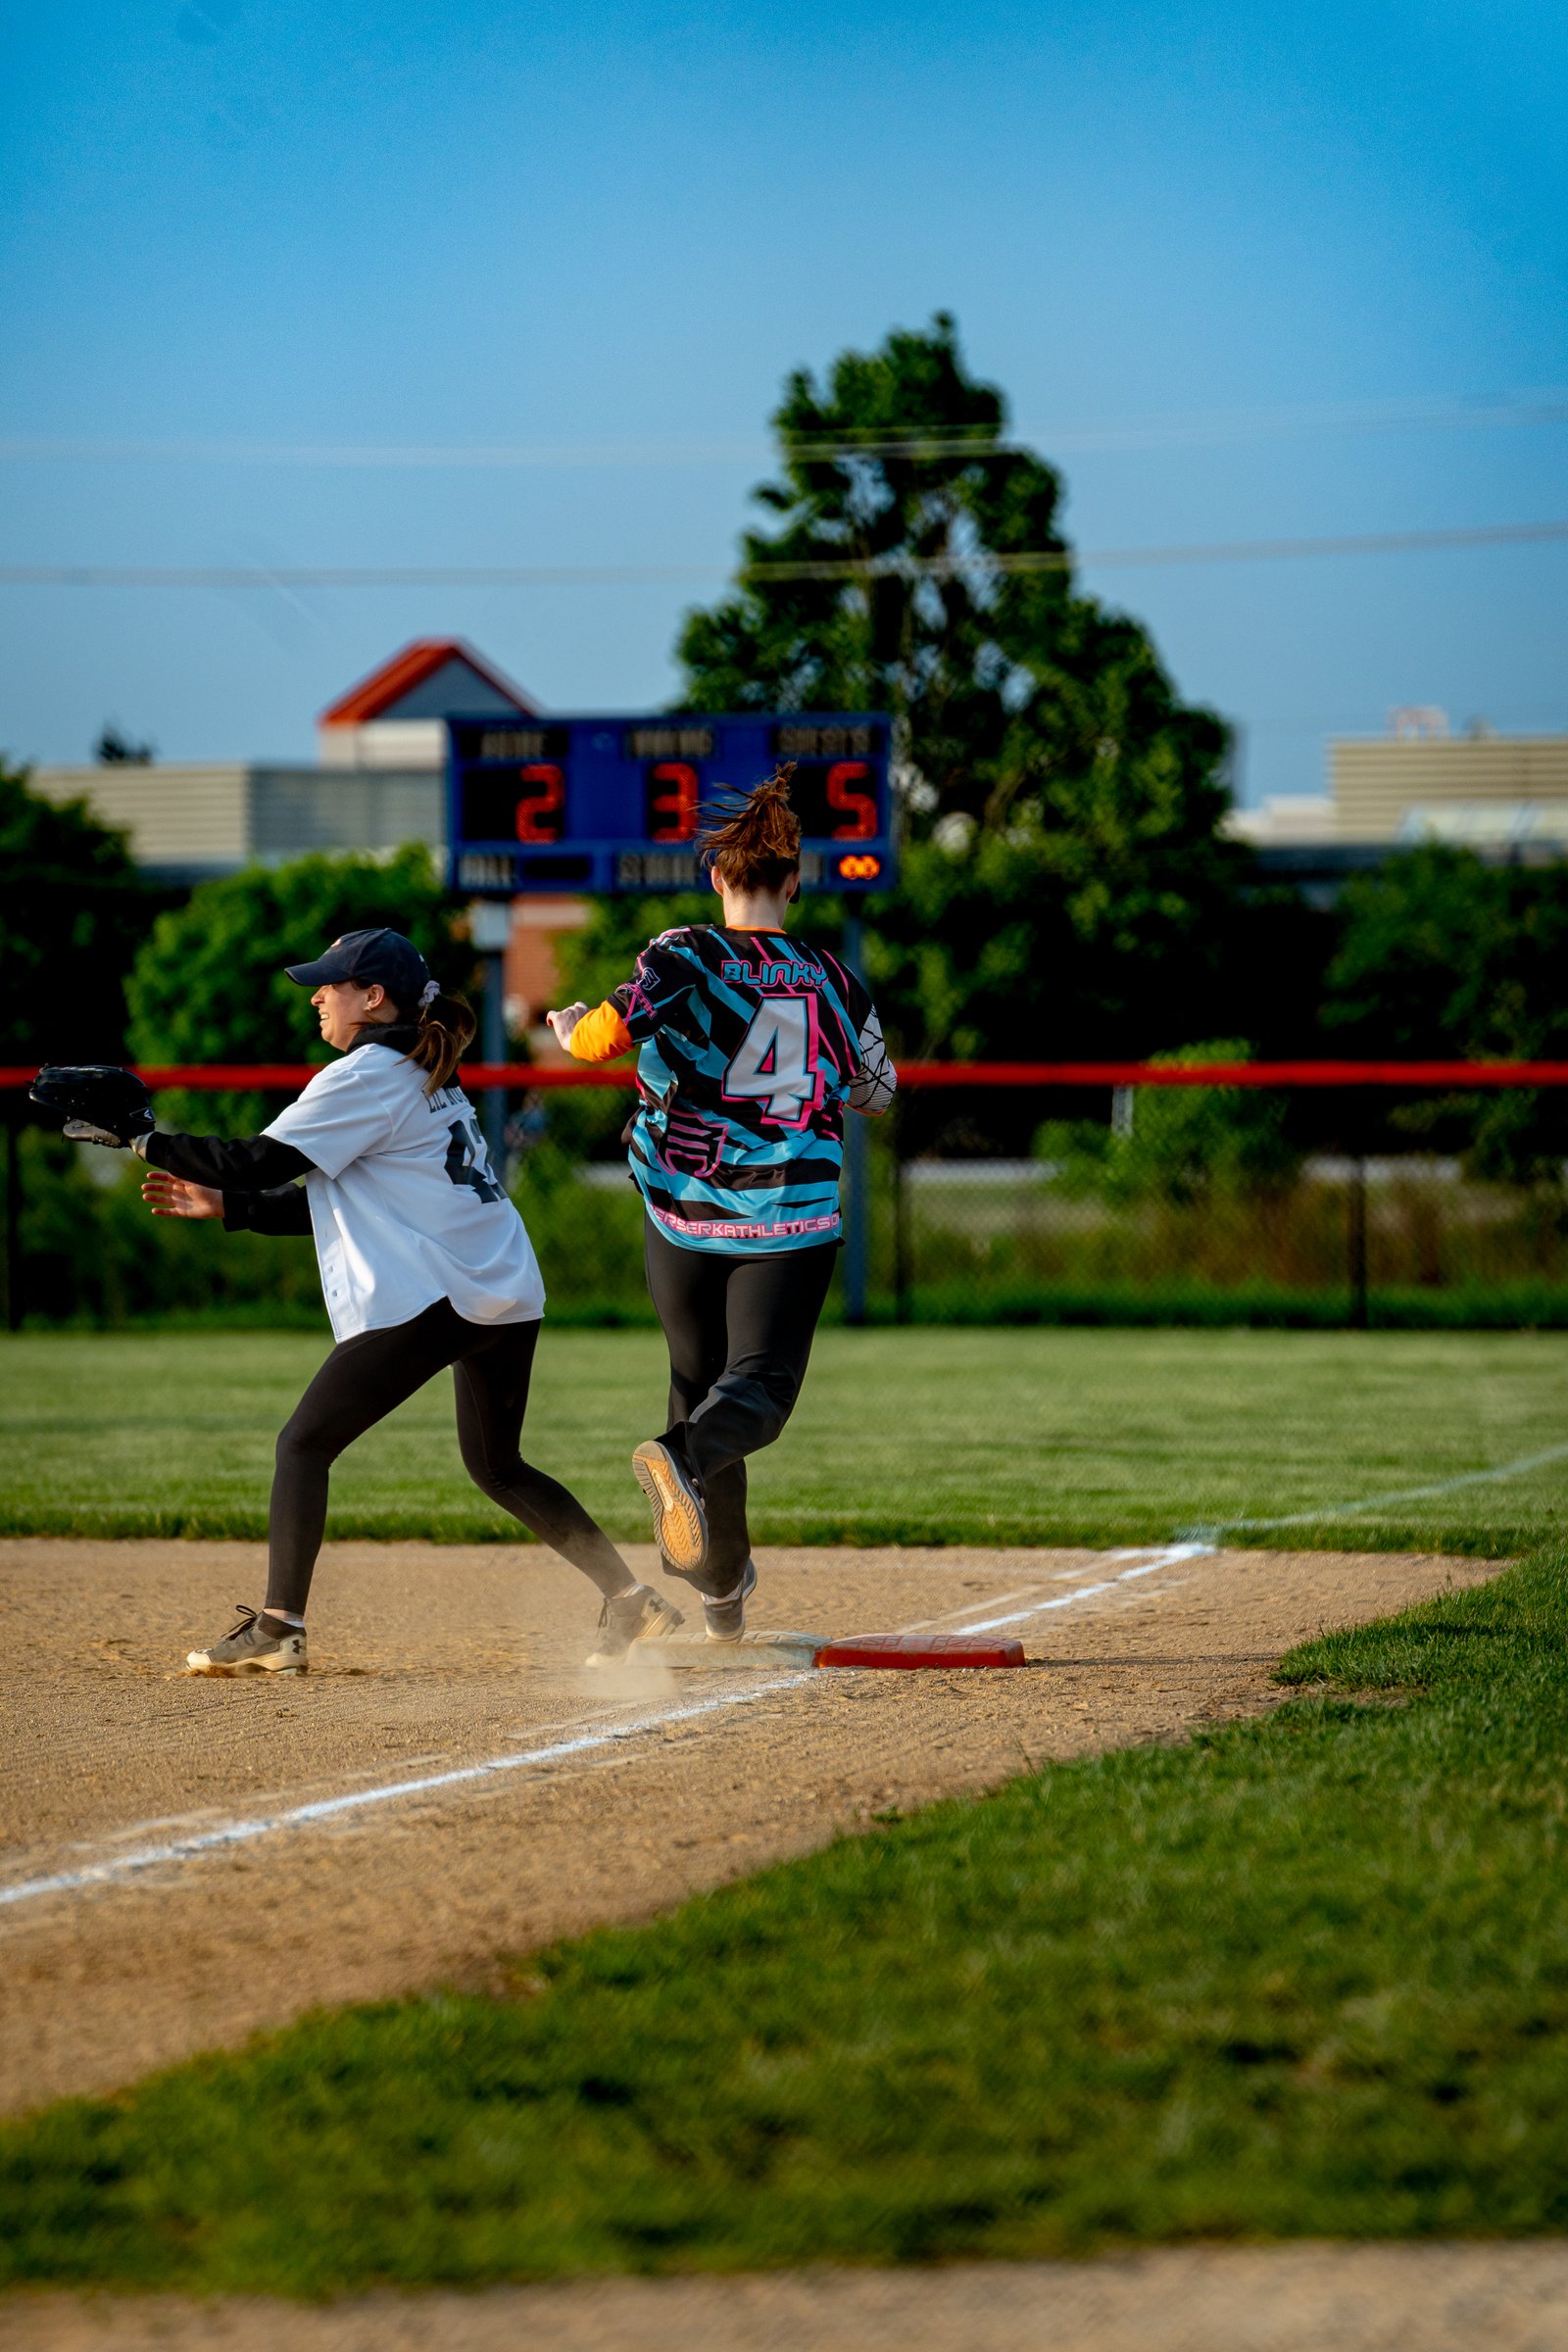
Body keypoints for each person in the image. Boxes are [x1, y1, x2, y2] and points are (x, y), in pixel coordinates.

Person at [31, 928, 680, 1674]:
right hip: (502, 1286)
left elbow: (257, 1161)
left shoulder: (368, 1074)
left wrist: (147, 1140)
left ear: (373, 998)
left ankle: (279, 1629)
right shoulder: (419, 1068)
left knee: (303, 1444)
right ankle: (631, 1601)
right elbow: (344, 1201)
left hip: (445, 1293)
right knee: (498, 1466)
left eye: (330, 985)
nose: (316, 997)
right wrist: (232, 1207)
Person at [547, 767, 896, 1642]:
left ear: (718, 879)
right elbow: (879, 1092)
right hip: (790, 1215)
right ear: (795, 883)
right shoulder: (836, 979)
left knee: (699, 1385)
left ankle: (720, 1587)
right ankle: (681, 1466)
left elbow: (603, 1039)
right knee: (757, 1393)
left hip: (682, 1211)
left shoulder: (685, 951)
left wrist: (570, 1025)